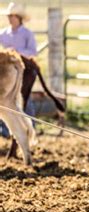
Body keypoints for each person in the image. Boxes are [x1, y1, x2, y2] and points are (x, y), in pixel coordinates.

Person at [0, 2, 37, 137]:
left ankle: (30, 127)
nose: (10, 18)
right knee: (5, 99)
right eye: (9, 16)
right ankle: (6, 130)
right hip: (7, 70)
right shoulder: (3, 33)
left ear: (19, 17)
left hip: (25, 70)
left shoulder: (27, 34)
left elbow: (33, 52)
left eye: (13, 16)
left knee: (24, 99)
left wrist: (17, 51)